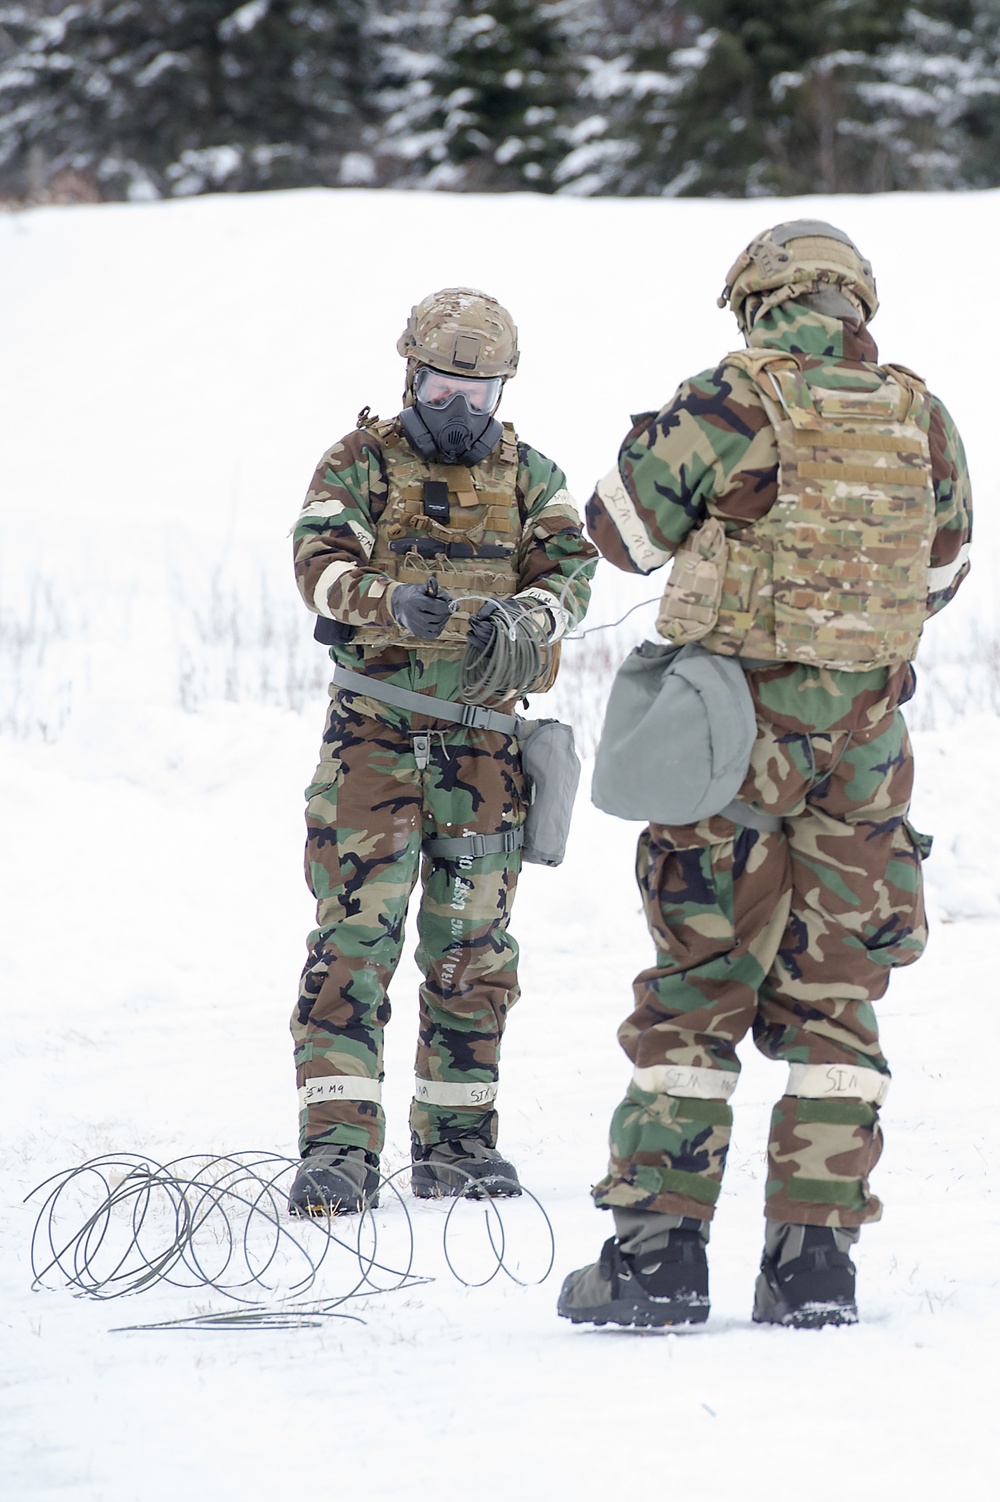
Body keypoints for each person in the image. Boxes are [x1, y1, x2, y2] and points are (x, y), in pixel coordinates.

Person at [558, 221, 972, 1328]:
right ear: (853, 302)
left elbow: (619, 532)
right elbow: (947, 564)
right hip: (865, 750)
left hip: (729, 737)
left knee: (699, 986)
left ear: (754, 301)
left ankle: (655, 1263)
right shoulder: (918, 411)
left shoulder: (729, 398)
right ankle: (814, 1266)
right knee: (836, 1000)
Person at [287, 286, 596, 1215]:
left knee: (472, 949)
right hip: (374, 745)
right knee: (355, 943)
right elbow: (318, 564)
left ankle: (457, 1143)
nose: (460, 411)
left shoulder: (530, 474)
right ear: (408, 375)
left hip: (484, 754)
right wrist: (388, 604)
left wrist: (529, 615)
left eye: (480, 393)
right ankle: (337, 1147)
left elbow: (572, 573)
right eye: (441, 389)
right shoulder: (361, 464)